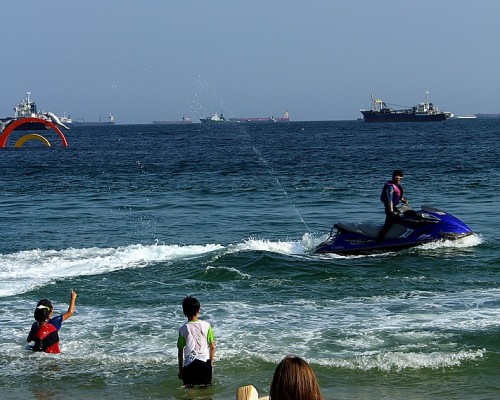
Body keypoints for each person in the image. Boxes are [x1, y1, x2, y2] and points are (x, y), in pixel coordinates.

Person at [177, 296, 215, 387]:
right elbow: (212, 347)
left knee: (189, 391)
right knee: (206, 392)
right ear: (198, 310)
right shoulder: (206, 325)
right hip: (204, 362)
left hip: (190, 364)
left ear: (184, 312)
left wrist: (181, 370)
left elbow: (180, 351)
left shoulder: (183, 329)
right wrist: (210, 365)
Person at [377, 169, 407, 241]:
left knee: (401, 222)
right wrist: (391, 211)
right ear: (393, 177)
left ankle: (397, 238)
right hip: (390, 208)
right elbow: (390, 200)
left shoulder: (397, 186)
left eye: (400, 178)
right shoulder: (390, 187)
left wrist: (402, 200)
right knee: (388, 225)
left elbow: (397, 196)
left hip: (395, 208)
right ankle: (379, 241)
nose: (398, 179)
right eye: (397, 178)